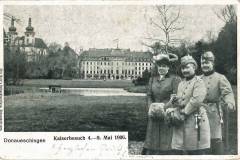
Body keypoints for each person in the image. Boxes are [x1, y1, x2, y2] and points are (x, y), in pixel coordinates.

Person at [167, 55, 210, 155]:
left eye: (187, 67)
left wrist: (184, 112)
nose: (184, 70)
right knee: (178, 148)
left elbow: (196, 100)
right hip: (181, 120)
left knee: (195, 149)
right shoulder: (181, 83)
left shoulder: (199, 82)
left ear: (194, 67)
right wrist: (175, 101)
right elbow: (181, 100)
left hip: (195, 119)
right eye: (183, 68)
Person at [142, 53, 181, 155]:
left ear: (168, 67)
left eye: (164, 66)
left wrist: (165, 107)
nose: (161, 68)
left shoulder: (174, 79)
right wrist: (150, 108)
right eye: (160, 66)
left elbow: (175, 97)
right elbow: (149, 95)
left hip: (167, 112)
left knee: (166, 141)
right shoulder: (152, 79)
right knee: (152, 140)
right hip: (153, 112)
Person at [200, 51, 235, 155]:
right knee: (201, 139)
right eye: (203, 63)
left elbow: (227, 92)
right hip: (199, 112)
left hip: (214, 113)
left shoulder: (220, 78)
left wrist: (230, 102)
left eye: (207, 63)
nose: (205, 65)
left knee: (215, 139)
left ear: (213, 63)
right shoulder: (198, 79)